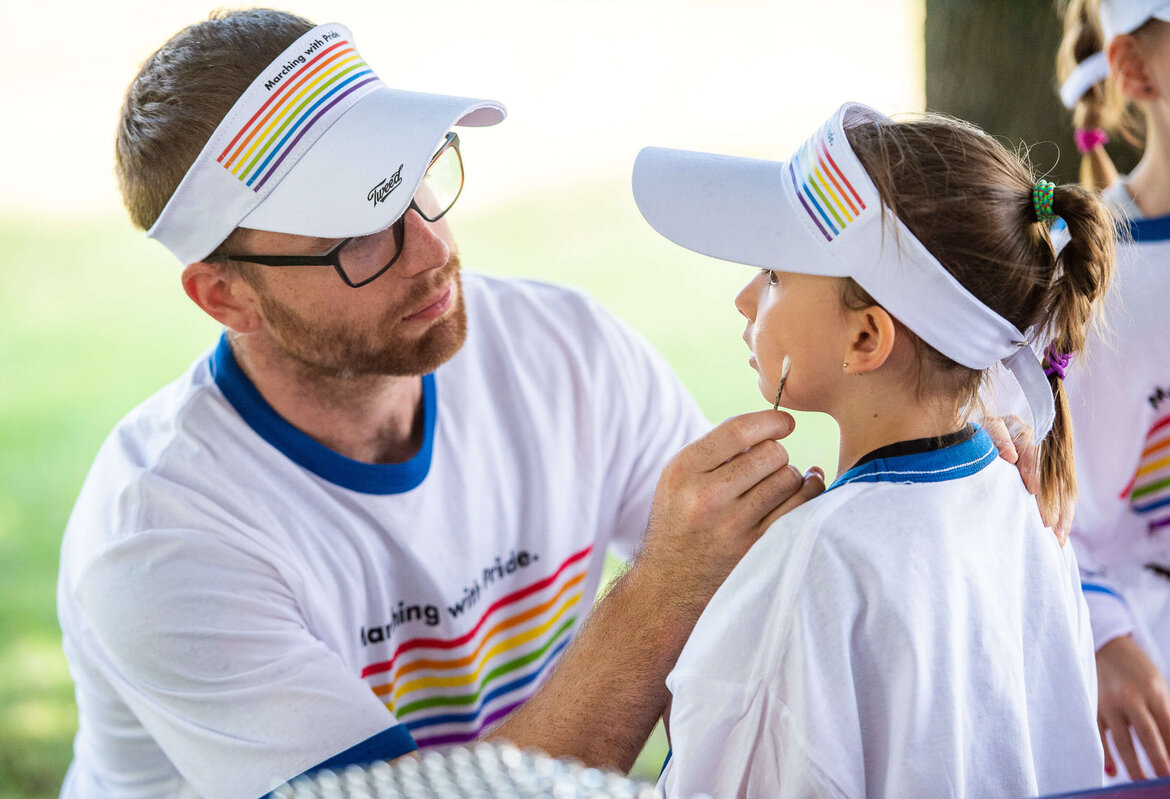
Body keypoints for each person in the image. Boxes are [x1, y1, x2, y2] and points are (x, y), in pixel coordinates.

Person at [55, 10, 830, 797]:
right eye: (357, 232)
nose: (433, 250)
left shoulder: (565, 354)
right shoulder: (164, 536)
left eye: (417, 180)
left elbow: (752, 629)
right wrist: (662, 591)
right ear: (225, 296)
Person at [631, 103, 1113, 797]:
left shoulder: (810, 564)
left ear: (866, 337)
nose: (743, 298)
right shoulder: (1027, 511)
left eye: (774, 274)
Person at [1056, 0, 1170, 781]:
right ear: (1137, 70)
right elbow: (1045, 516)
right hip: (1159, 724)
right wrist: (1105, 635)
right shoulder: (1084, 284)